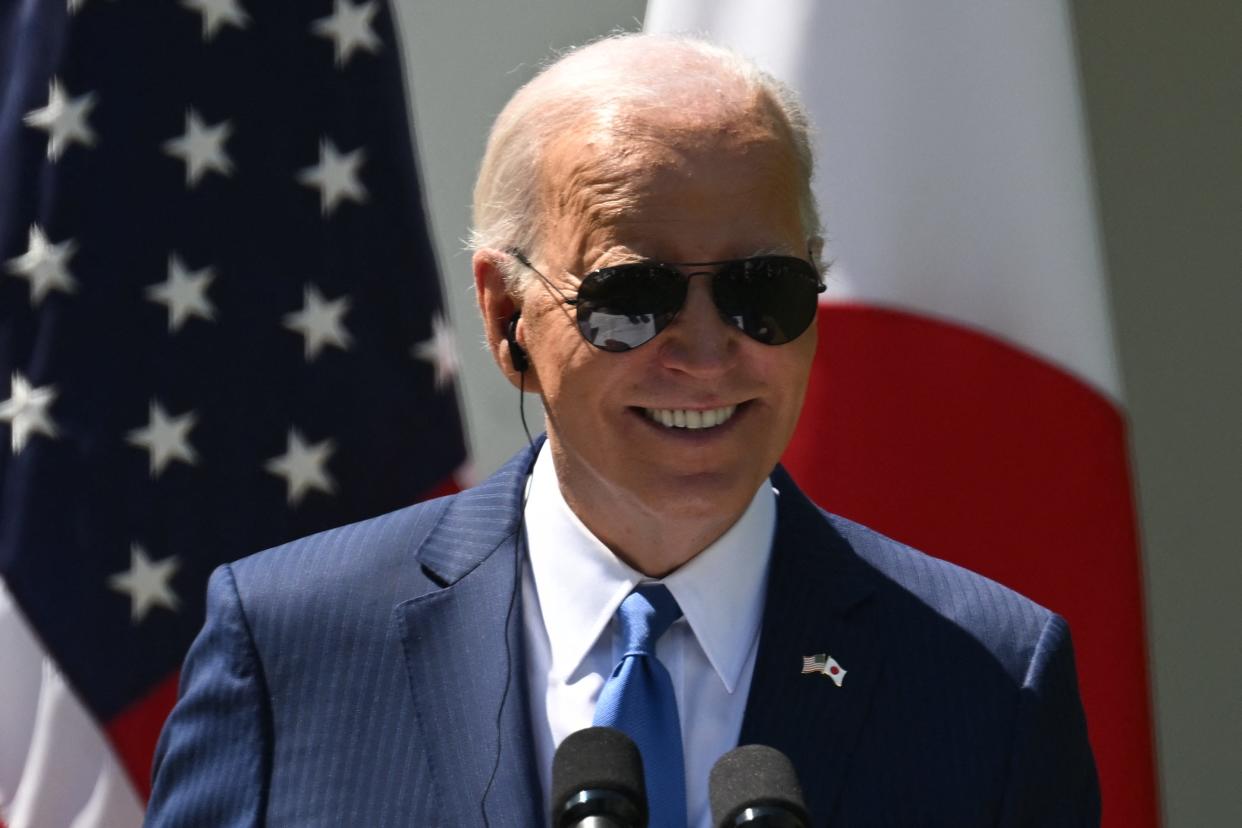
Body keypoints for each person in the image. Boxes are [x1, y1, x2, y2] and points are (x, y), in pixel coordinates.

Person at [146, 34, 1099, 827]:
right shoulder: (289, 645)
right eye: (631, 296)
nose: (705, 349)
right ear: (504, 312)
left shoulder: (991, 681)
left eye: (759, 290)